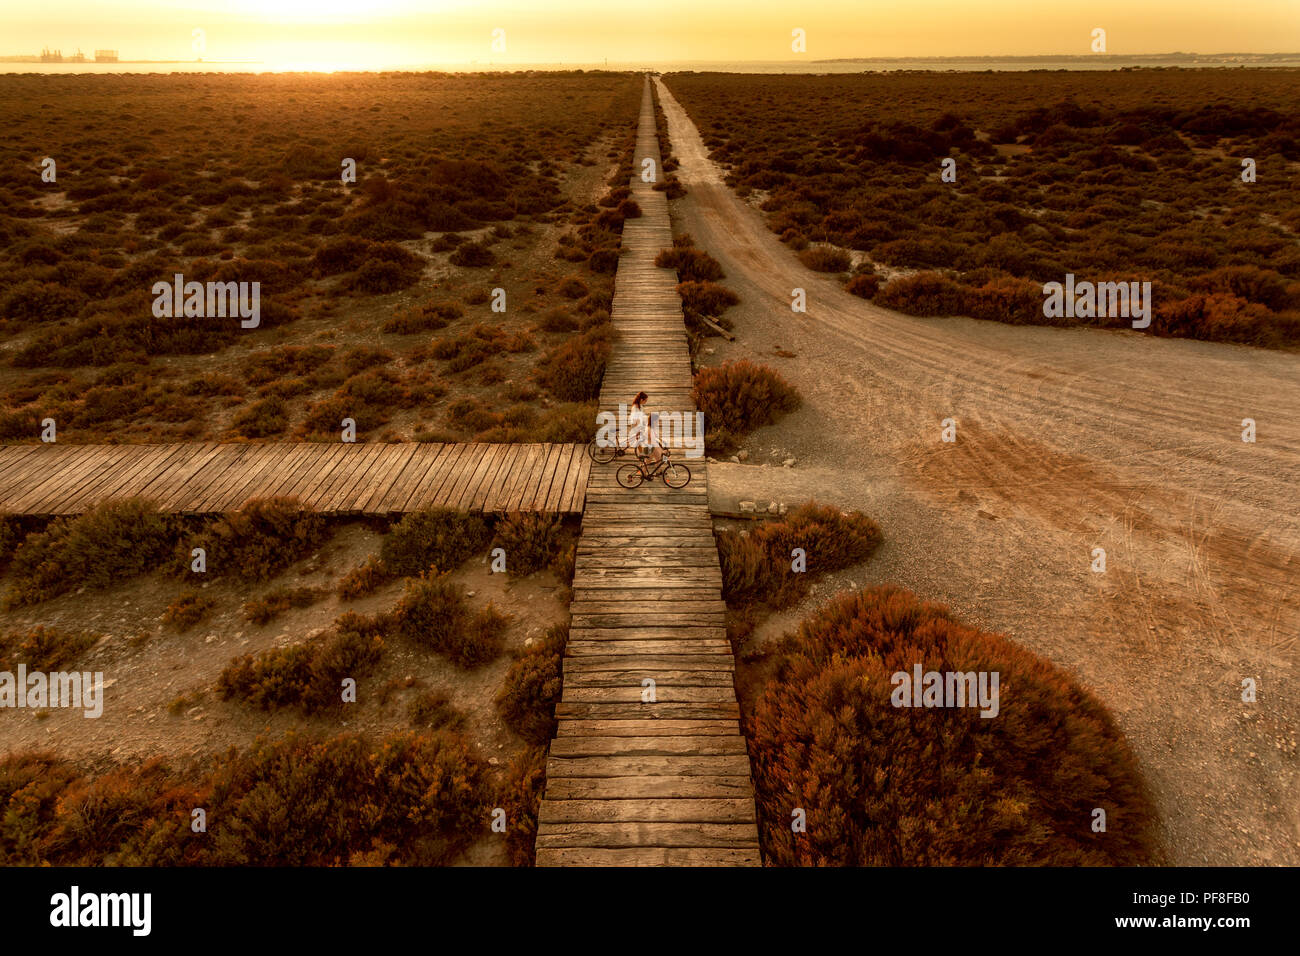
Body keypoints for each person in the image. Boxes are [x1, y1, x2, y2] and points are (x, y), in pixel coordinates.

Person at [628, 391, 663, 474]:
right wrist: (638, 430)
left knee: (651, 455)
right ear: (641, 399)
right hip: (637, 428)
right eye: (645, 400)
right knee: (647, 454)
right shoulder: (635, 408)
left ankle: (653, 470)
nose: (645, 402)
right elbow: (634, 421)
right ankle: (643, 469)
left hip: (642, 428)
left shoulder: (640, 406)